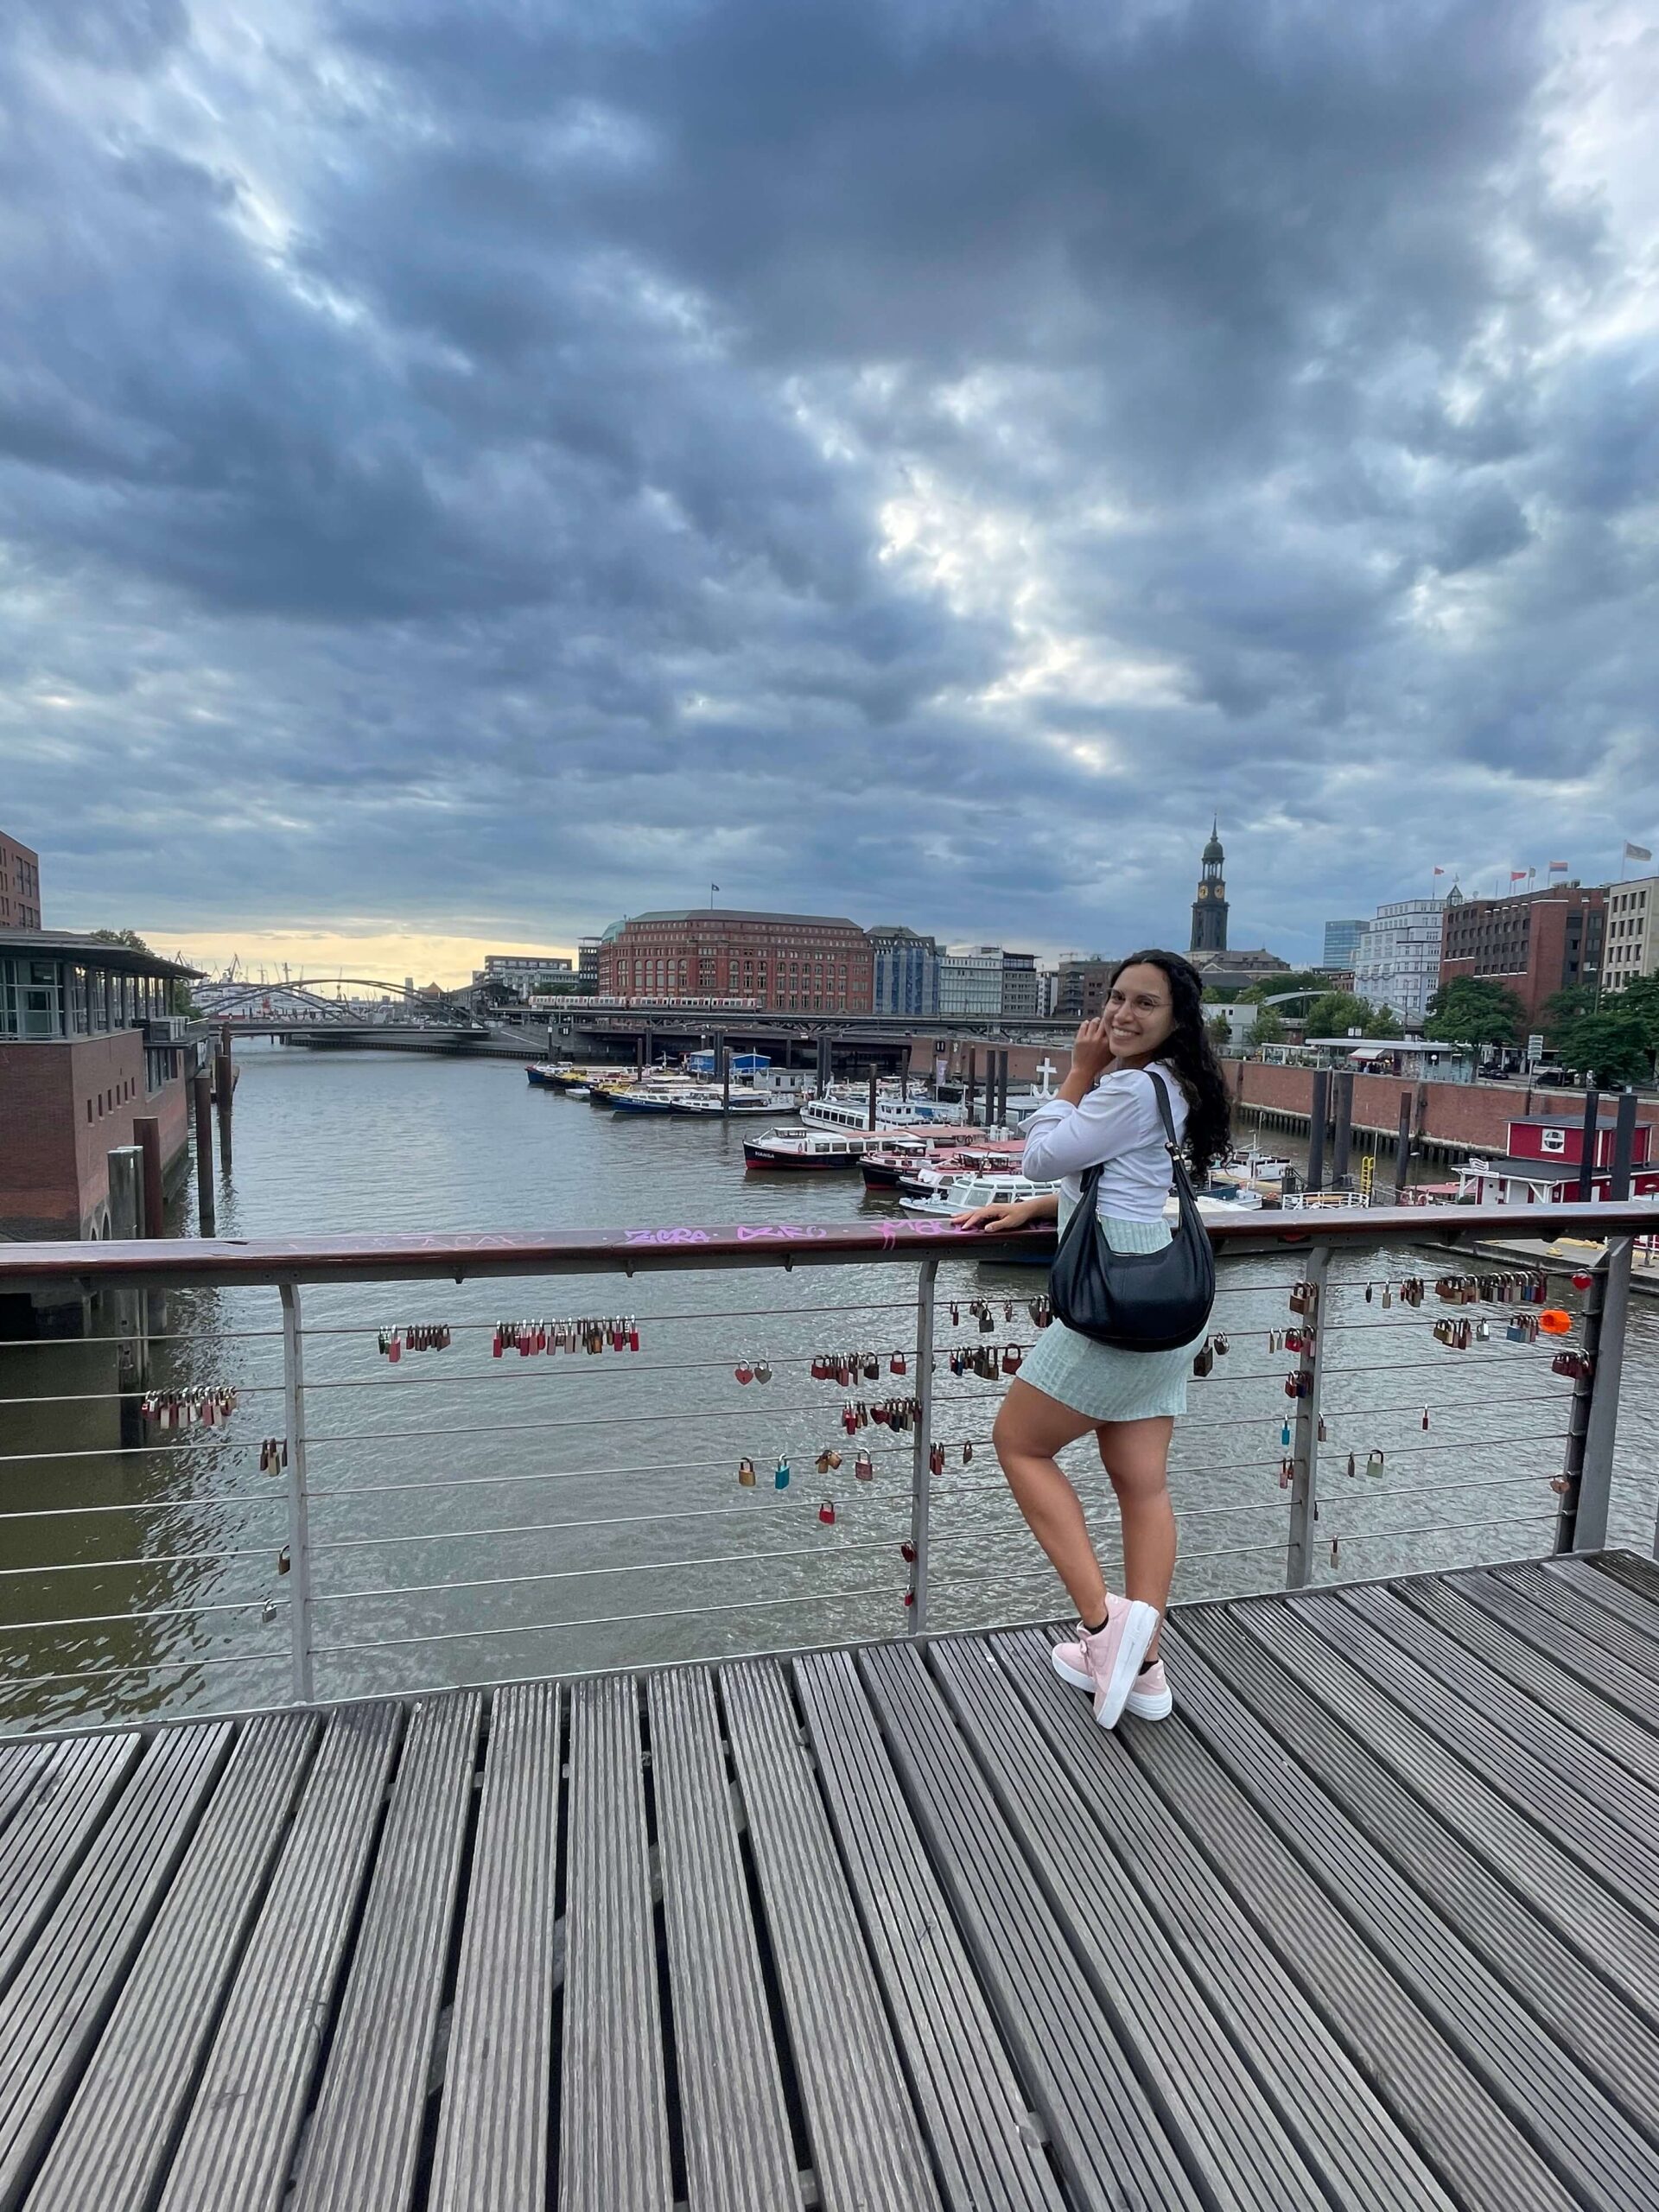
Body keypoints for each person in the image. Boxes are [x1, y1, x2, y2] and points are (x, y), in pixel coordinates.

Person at [953, 950, 1231, 1728]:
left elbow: (1042, 1147)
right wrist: (1047, 1207)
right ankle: (1144, 1670)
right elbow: (1124, 1178)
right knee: (1141, 1480)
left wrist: (1075, 1072)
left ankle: (1105, 1630)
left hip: (1116, 1302)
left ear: (1177, 1019)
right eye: (1115, 999)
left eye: (1145, 1004)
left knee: (1019, 1444)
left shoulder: (1124, 1085)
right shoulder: (1175, 1084)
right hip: (1167, 1294)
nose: (1121, 1016)